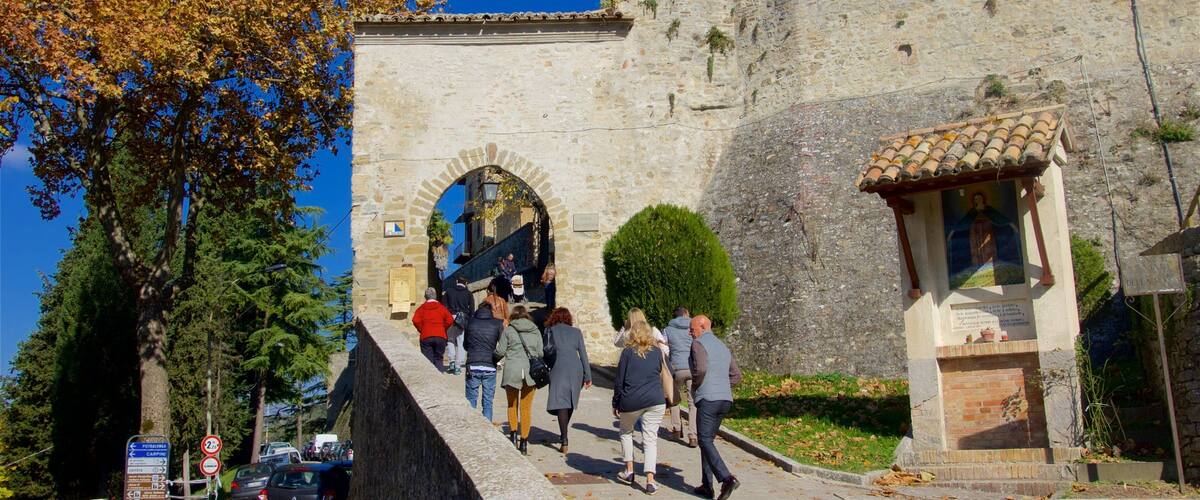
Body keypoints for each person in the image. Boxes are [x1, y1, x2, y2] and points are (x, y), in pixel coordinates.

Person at [689, 315, 742, 500]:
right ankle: (706, 485)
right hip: (725, 400)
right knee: (707, 441)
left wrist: (696, 385)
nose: (690, 332)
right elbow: (736, 375)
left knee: (704, 439)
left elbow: (701, 369)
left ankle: (726, 479)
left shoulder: (698, 344)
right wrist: (721, 385)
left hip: (708, 399)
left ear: (702, 327)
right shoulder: (722, 346)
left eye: (692, 328)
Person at [612, 319, 667, 495]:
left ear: (633, 334)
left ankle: (629, 470)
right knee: (650, 439)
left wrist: (616, 402)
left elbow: (619, 380)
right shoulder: (657, 352)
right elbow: (659, 373)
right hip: (655, 400)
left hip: (632, 400)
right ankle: (650, 480)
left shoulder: (627, 353)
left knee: (626, 432)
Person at [494, 305, 542, 455]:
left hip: (512, 370)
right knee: (526, 408)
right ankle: (524, 442)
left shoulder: (509, 330)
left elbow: (500, 351)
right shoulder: (535, 330)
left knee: (511, 405)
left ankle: (513, 435)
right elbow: (540, 352)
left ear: (513, 316)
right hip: (529, 373)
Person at [543, 307, 592, 454]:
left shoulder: (550, 330)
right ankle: (563, 434)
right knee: (569, 401)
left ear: (554, 317)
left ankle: (564, 438)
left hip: (558, 367)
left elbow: (545, 350)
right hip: (575, 369)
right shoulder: (576, 332)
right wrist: (588, 375)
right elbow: (583, 354)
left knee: (561, 403)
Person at [463, 302, 504, 422]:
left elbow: (465, 345)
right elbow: (501, 347)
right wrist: (495, 359)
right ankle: (488, 429)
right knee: (487, 401)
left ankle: (471, 426)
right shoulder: (497, 323)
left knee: (471, 399)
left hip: (473, 364)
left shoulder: (470, 322)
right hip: (490, 365)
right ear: (491, 311)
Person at [663, 306, 697, 447]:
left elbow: (664, 348)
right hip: (691, 367)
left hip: (676, 367)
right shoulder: (692, 327)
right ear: (686, 314)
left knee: (674, 399)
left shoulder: (667, 329)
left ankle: (677, 429)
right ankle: (693, 436)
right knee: (692, 402)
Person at [412, 287, 454, 372]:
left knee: (428, 361)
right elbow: (450, 320)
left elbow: (415, 320)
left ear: (425, 296)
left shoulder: (421, 308)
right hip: (440, 335)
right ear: (436, 296)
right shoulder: (441, 308)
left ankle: (430, 380)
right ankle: (439, 379)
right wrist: (443, 328)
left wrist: (422, 329)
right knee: (438, 358)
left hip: (426, 335)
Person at [442, 276, 475, 375]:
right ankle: (457, 366)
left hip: (450, 317)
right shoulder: (468, 293)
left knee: (450, 339)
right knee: (461, 341)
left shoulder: (449, 291)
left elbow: (443, 306)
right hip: (462, 318)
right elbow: (472, 309)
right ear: (465, 283)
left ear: (456, 282)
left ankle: (451, 360)